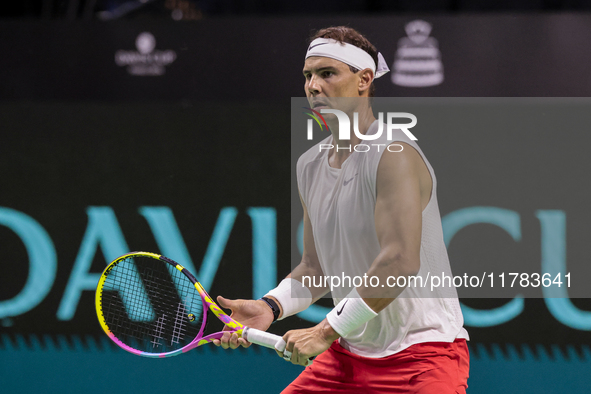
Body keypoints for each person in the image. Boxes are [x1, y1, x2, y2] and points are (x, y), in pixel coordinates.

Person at [213, 26, 470, 393]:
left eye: (327, 74)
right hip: (349, 357)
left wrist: (324, 331)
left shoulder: (392, 154)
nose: (313, 86)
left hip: (424, 358)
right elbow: (316, 268)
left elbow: (400, 262)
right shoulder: (310, 164)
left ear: (364, 79)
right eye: (308, 75)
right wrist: (269, 307)